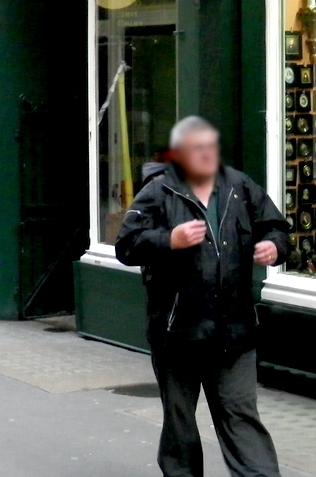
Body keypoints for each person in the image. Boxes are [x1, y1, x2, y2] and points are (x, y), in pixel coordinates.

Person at [115, 116, 289, 477]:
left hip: (234, 329)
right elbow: (126, 245)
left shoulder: (239, 186)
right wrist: (169, 240)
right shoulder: (159, 191)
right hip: (179, 331)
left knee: (241, 413)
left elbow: (275, 226)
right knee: (180, 422)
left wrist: (274, 246)